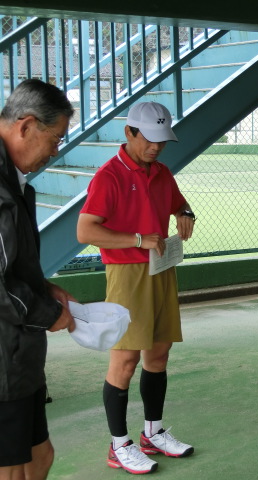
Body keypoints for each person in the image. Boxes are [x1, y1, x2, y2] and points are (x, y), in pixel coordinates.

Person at [77, 102, 196, 475]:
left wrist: (185, 213)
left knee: (158, 356)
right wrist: (139, 239)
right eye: (149, 139)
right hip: (126, 275)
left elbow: (179, 203)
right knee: (125, 361)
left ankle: (152, 433)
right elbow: (86, 230)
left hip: (162, 269)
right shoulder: (108, 176)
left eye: (162, 140)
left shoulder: (161, 172)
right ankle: (118, 446)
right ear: (129, 132)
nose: (156, 147)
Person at [0, 79, 76, 480]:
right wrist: (48, 313)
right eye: (56, 138)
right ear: (26, 126)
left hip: (18, 355)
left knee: (39, 457)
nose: (56, 151)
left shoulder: (12, 179)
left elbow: (10, 265)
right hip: (4, 365)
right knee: (11, 469)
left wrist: (45, 288)